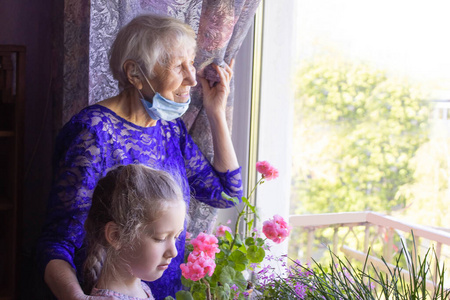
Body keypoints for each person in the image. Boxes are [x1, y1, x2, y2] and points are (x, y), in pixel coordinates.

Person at [37, 13, 242, 300]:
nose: (193, 79)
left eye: (191, 63)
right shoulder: (93, 133)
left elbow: (226, 196)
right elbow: (57, 243)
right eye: (178, 66)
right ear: (135, 74)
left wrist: (216, 112)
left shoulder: (170, 129)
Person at [83, 164, 185, 299]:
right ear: (116, 236)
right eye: (160, 238)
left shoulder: (138, 286)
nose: (174, 252)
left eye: (176, 237)